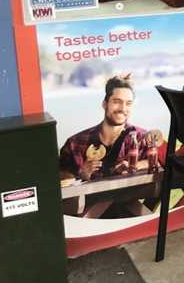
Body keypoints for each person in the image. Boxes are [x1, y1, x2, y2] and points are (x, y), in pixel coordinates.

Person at [58, 74, 153, 218]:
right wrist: (81, 174)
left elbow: (155, 163)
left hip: (127, 214)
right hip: (87, 219)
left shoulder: (141, 138)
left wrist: (135, 166)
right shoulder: (75, 143)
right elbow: (61, 180)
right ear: (104, 103)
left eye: (128, 103)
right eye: (117, 102)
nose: (123, 108)